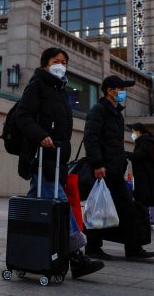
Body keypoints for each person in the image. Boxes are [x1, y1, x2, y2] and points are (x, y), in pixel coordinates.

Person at [14, 47, 104, 279]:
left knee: (35, 209)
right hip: (41, 157)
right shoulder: (37, 85)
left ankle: (23, 253)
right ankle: (76, 256)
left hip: (57, 158)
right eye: (56, 61)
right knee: (59, 204)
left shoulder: (61, 90)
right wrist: (40, 135)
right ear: (45, 64)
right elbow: (22, 116)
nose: (61, 65)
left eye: (64, 62)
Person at [83, 76, 154, 261]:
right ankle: (94, 247)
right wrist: (97, 164)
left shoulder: (116, 113)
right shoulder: (98, 110)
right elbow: (91, 138)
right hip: (104, 170)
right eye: (121, 88)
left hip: (115, 170)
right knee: (102, 209)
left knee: (124, 209)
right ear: (110, 90)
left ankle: (132, 249)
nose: (124, 93)